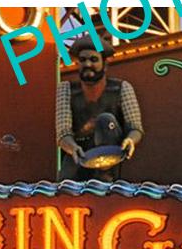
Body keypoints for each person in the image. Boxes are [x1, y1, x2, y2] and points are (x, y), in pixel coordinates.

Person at [55, 33, 144, 182]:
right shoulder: (65, 89)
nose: (88, 64)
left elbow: (135, 127)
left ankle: (105, 175)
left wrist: (130, 140)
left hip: (110, 153)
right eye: (83, 60)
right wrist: (72, 148)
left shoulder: (122, 88)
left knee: (105, 119)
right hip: (79, 153)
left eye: (93, 59)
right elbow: (63, 132)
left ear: (105, 64)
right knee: (65, 190)